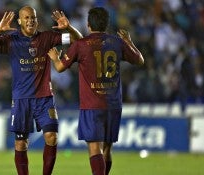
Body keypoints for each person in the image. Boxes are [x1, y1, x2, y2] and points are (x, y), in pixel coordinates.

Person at [0, 6, 82, 175]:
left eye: (33, 17)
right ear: (19, 21)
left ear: (37, 20)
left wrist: (69, 27)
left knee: (52, 137)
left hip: (44, 97)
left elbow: (78, 40)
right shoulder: (11, 40)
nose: (30, 20)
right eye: (26, 18)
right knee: (21, 143)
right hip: (21, 99)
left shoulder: (47, 37)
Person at [47, 7, 144, 175]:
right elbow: (140, 60)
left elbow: (60, 67)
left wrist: (55, 58)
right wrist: (129, 41)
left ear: (88, 24)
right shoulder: (116, 42)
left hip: (92, 104)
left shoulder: (81, 45)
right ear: (106, 24)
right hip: (113, 104)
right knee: (107, 148)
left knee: (94, 148)